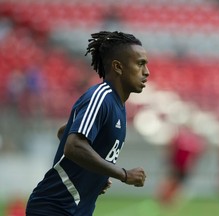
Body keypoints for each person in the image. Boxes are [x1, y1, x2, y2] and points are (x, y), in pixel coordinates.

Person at [26, 31, 149, 216]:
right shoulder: (101, 98)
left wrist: (96, 176)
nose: (146, 71)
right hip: (54, 208)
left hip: (76, 210)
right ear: (118, 67)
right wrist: (123, 174)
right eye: (140, 64)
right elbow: (74, 145)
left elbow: (65, 132)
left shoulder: (118, 105)